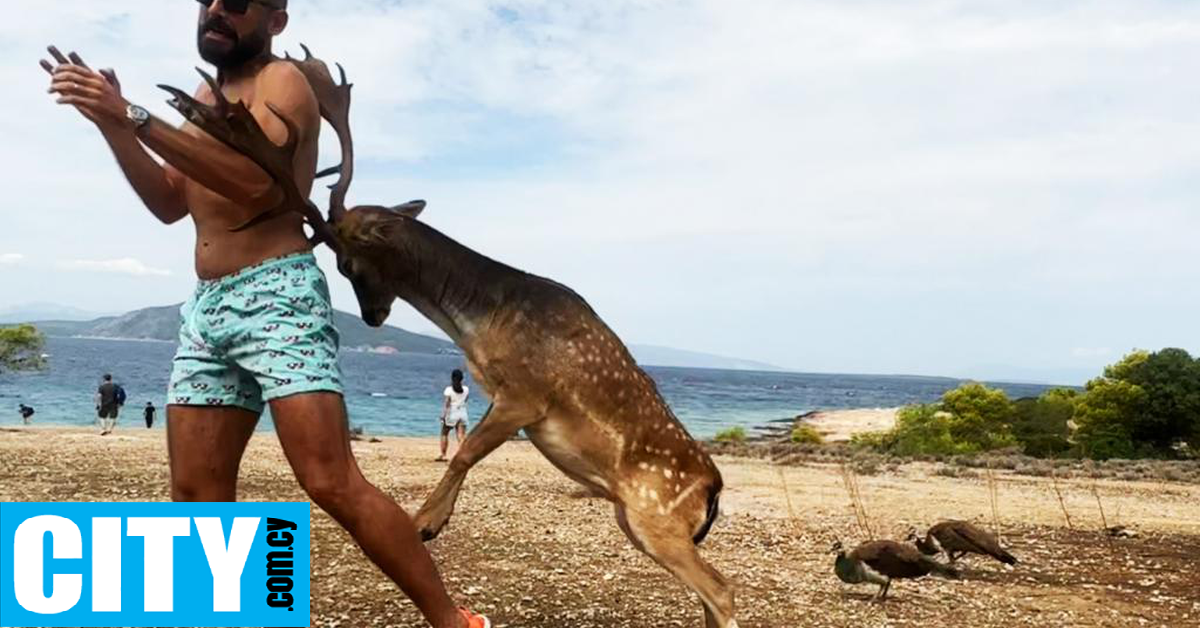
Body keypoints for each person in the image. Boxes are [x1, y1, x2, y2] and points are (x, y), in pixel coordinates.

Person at [41, 3, 488, 627]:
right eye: (207, 1)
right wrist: (112, 125)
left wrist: (135, 116)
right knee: (195, 496)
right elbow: (171, 203)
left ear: (275, 20)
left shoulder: (284, 83)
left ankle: (451, 620)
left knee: (329, 480)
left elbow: (258, 189)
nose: (217, 9)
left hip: (277, 296)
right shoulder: (204, 93)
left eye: (237, 1)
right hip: (207, 308)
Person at [437, 370, 469, 462]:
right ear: (462, 379)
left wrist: (443, 415)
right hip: (462, 412)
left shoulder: (449, 390)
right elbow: (465, 400)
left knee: (444, 433)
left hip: (452, 412)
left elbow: (447, 404)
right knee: (461, 435)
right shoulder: (466, 389)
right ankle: (463, 455)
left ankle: (443, 455)